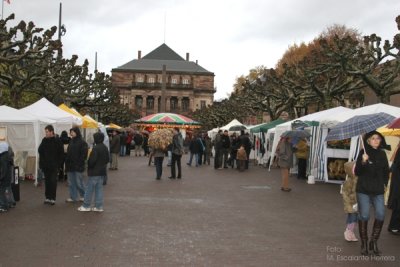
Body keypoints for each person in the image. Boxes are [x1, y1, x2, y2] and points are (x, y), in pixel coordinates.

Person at [354, 131, 389, 256]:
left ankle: (373, 242)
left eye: (378, 138)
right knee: (364, 215)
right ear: (368, 141)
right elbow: (357, 172)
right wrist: (363, 162)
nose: (375, 140)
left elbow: (386, 171)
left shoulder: (382, 153)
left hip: (378, 190)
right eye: (373, 138)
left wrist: (385, 183)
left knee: (380, 214)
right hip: (364, 190)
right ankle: (364, 243)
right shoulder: (363, 153)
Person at [78, 132, 109, 212]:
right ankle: (99, 206)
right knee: (99, 190)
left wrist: (89, 166)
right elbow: (108, 159)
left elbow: (91, 161)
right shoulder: (105, 147)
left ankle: (86, 205)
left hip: (94, 172)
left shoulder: (96, 148)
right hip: (102, 171)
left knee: (89, 189)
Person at [38, 125, 64, 205]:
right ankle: (47, 197)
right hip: (46, 166)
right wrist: (42, 162)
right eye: (45, 132)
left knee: (53, 182)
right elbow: (40, 150)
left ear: (51, 131)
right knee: (47, 182)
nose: (45, 133)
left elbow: (61, 153)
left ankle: (52, 198)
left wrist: (58, 164)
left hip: (54, 166)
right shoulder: (44, 140)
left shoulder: (57, 140)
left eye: (47, 132)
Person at [65, 127, 88, 203]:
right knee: (71, 183)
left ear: (76, 132)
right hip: (70, 166)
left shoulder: (82, 142)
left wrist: (79, 163)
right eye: (71, 132)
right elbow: (68, 153)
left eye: (72, 132)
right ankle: (73, 197)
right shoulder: (71, 141)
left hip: (78, 166)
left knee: (79, 183)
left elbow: (84, 155)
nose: (71, 133)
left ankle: (84, 196)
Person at [342, 161, 359, 242]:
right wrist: (348, 204)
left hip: (357, 202)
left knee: (355, 218)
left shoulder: (358, 178)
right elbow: (345, 193)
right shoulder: (349, 180)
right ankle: (348, 232)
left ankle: (350, 232)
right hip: (351, 203)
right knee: (352, 217)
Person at [387, 143, 400, 235]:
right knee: (398, 203)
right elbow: (396, 165)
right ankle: (394, 226)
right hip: (398, 179)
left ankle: (395, 226)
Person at [0, 135, 14, 212]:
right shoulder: (7, 156)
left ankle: (4, 205)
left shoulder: (2, 158)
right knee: (8, 190)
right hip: (7, 177)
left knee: (2, 192)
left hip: (4, 178)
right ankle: (10, 202)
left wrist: (1, 178)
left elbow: (3, 170)